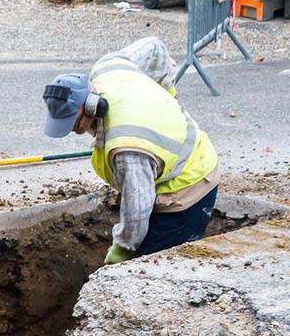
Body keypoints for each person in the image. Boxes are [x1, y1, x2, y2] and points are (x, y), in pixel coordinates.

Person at [41, 46, 220, 265]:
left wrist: (122, 250)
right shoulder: (109, 66)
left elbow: (137, 211)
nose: (72, 129)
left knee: (152, 269)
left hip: (188, 185)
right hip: (168, 167)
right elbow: (153, 47)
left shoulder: (127, 146)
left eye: (74, 122)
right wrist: (167, 92)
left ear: (91, 104)